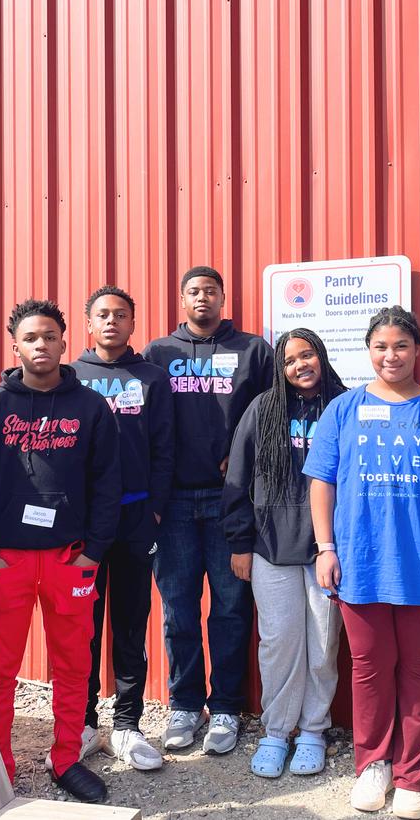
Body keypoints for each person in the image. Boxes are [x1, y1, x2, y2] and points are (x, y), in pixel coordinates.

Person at [304, 306, 420, 820]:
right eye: (380, 346)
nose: (391, 355)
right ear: (368, 350)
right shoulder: (343, 410)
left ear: (418, 349)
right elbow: (322, 484)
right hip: (360, 565)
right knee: (368, 669)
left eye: (401, 345)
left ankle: (414, 776)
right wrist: (326, 548)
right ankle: (373, 764)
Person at [0, 299, 121, 803]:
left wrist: (93, 553)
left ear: (64, 342)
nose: (41, 345)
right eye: (31, 338)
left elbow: (107, 484)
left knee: (73, 665)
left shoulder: (90, 407)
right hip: (7, 559)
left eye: (50, 336)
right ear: (16, 346)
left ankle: (66, 758)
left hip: (68, 559)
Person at [142, 266, 274, 755]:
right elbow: (145, 420)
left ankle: (225, 708)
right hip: (173, 501)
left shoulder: (253, 350)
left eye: (211, 291)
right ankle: (184, 703)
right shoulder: (160, 352)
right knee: (178, 608)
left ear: (222, 297)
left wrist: (243, 456)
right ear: (183, 300)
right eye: (194, 291)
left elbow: (271, 415)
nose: (203, 297)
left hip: (230, 500)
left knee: (230, 609)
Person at [223, 328, 346, 779]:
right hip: (270, 547)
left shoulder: (343, 406)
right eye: (290, 360)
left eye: (307, 355)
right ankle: (277, 731)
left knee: (322, 644)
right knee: (278, 643)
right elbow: (237, 480)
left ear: (321, 355)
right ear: (280, 368)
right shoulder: (263, 408)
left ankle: (313, 730)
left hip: (326, 549)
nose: (300, 366)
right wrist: (240, 543)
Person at [72, 285, 174, 771]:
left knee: (131, 624)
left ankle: (128, 724)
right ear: (89, 323)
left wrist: (154, 511)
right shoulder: (70, 376)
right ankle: (82, 724)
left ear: (133, 324)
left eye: (121, 315)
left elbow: (164, 448)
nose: (111, 321)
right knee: (82, 627)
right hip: (83, 524)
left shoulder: (152, 377)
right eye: (103, 315)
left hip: (135, 518)